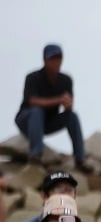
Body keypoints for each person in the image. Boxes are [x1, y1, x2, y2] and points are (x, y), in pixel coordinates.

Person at [15, 44, 92, 172]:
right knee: (37, 111)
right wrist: (59, 100)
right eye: (52, 59)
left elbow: (69, 106)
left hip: (48, 122)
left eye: (58, 58)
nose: (56, 62)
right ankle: (36, 154)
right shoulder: (33, 78)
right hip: (27, 120)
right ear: (45, 60)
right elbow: (32, 101)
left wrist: (68, 104)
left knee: (72, 116)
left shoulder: (66, 80)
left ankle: (80, 159)